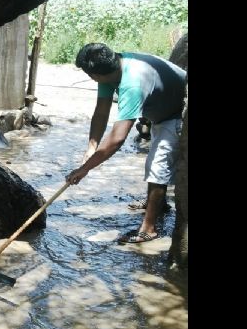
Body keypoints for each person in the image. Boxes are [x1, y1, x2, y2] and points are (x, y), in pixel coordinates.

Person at [66, 43, 186, 244]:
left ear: (95, 75)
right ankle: (158, 204)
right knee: (156, 163)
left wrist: (85, 168)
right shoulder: (112, 70)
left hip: (177, 112)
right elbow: (101, 112)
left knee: (157, 166)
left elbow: (117, 138)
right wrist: (92, 147)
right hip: (162, 109)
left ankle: (149, 229)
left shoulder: (132, 84)